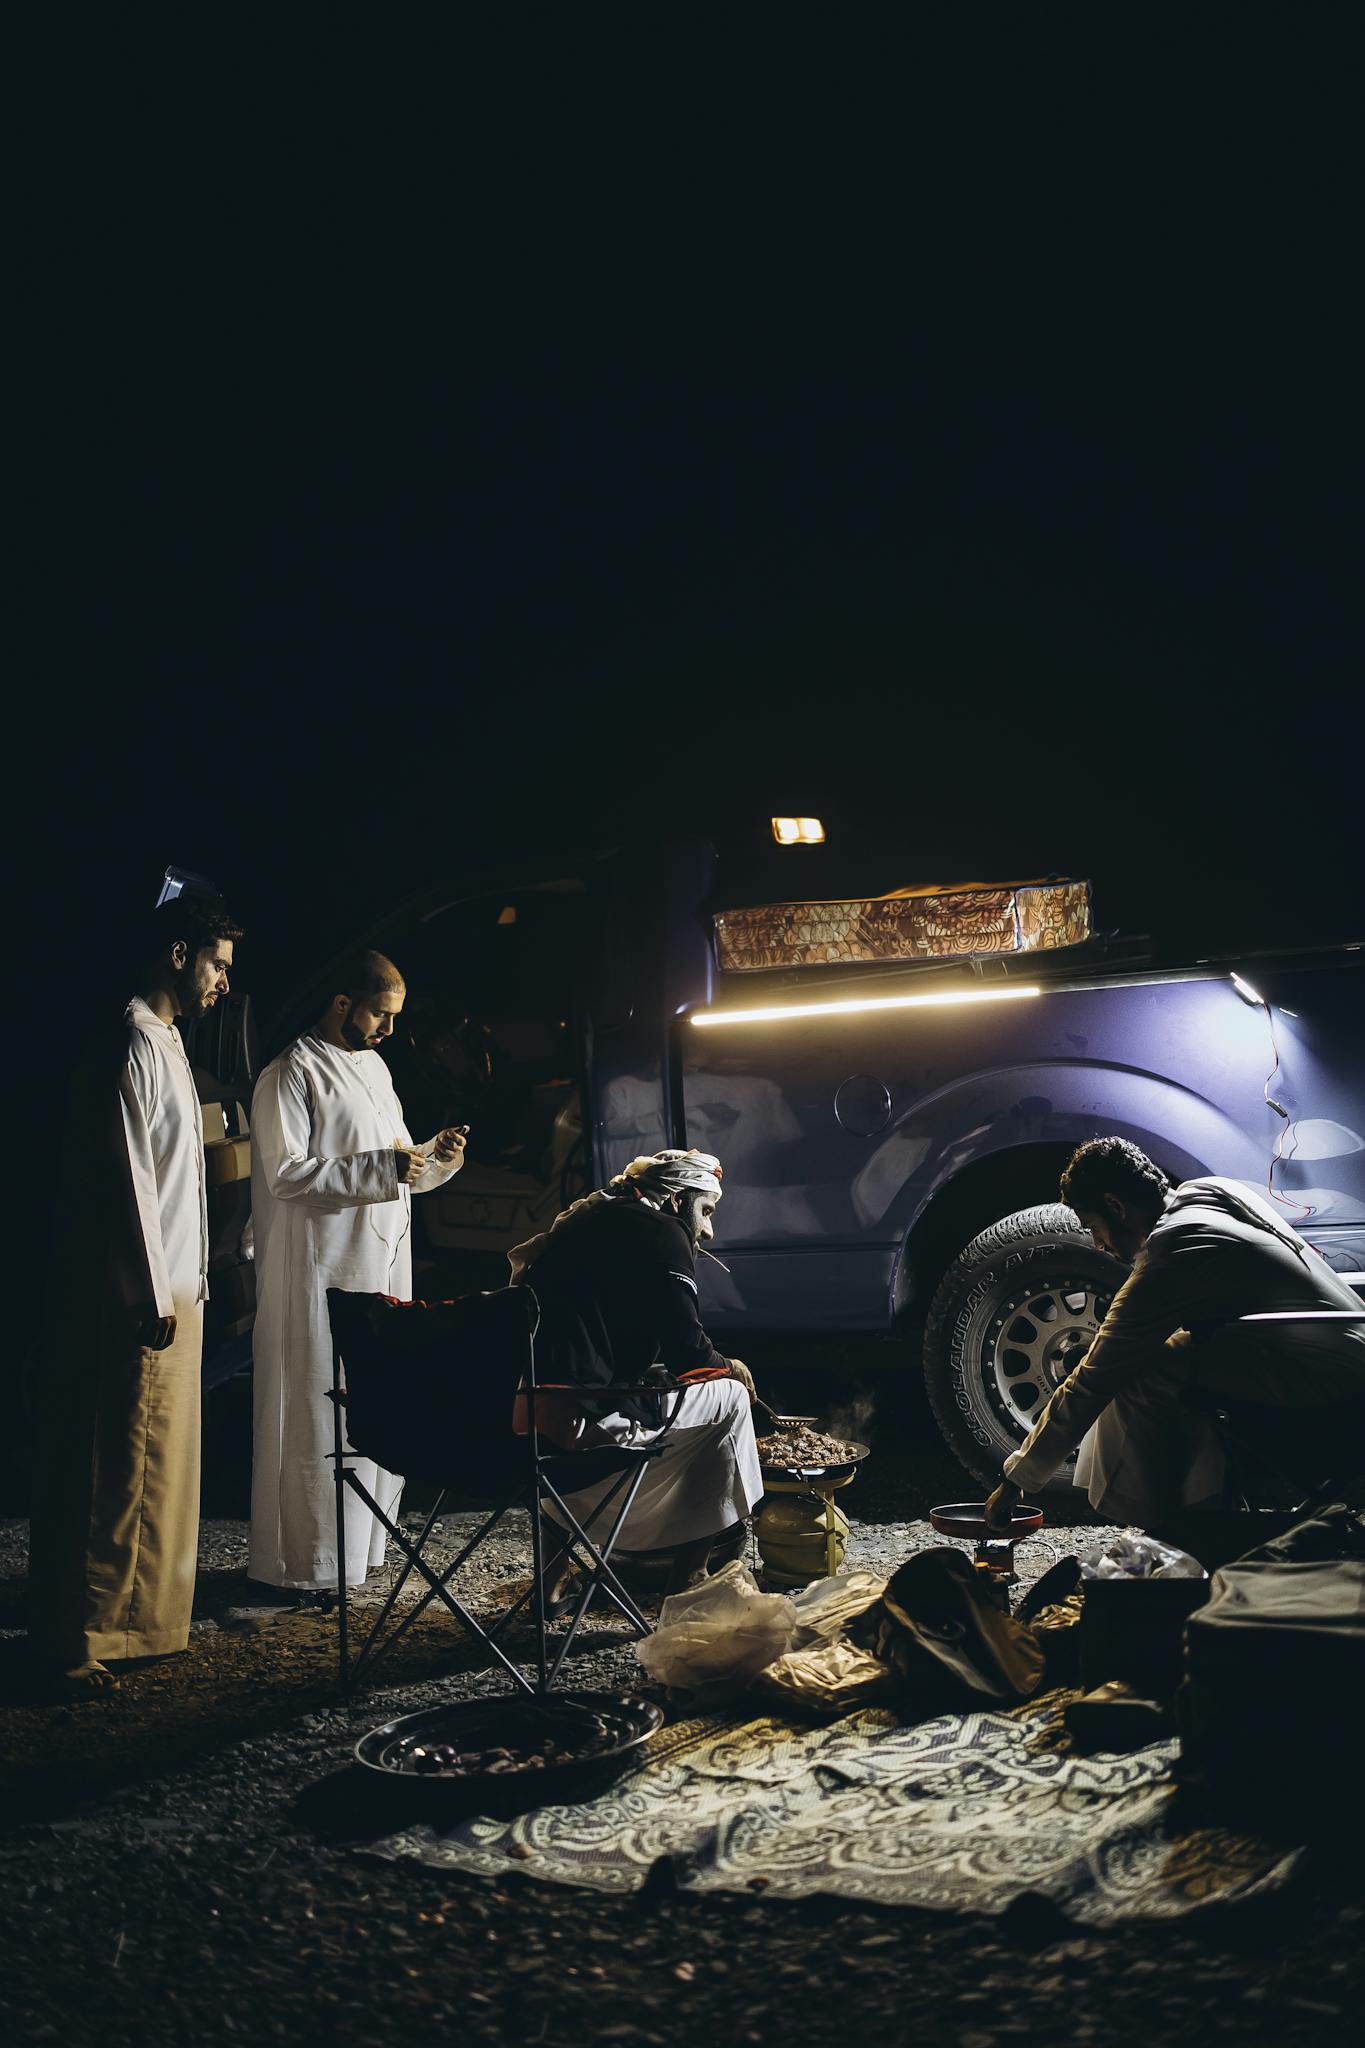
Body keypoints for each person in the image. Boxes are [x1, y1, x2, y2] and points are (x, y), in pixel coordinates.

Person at [28, 894, 242, 1692]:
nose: (224, 981)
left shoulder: (168, 1044)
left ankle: (135, 1627)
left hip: (175, 1287)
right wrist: (150, 1291)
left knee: (153, 1468)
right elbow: (129, 1185)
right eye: (217, 962)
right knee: (110, 1469)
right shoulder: (130, 1044)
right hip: (137, 1294)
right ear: (178, 954)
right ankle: (71, 1639)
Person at [985, 1137, 1365, 1530]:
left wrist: (1017, 1480)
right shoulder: (1207, 1192)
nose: (1097, 1245)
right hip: (1346, 1352)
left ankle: (1166, 1532)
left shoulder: (1173, 1251)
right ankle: (1201, 1511)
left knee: (1137, 1371)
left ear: (1117, 1206)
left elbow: (1094, 1377)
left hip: (1336, 1390)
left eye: (1095, 1227)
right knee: (1175, 1355)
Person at [248, 951, 468, 1596]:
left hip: (380, 1266)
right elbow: (287, 1175)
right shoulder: (290, 1072)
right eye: (380, 1013)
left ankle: (362, 1550)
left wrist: (434, 1158)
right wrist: (386, 1169)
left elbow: (397, 1164)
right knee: (319, 1405)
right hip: (320, 1267)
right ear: (343, 1003)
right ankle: (306, 1562)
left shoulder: (373, 1065)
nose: (389, 1030)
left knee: (372, 1398)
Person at [508, 1149, 764, 1601]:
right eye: (705, 1210)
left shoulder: (587, 1224)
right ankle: (691, 1574)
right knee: (729, 1398)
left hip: (525, 1433)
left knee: (575, 1391)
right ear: (673, 1199)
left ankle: (552, 1576)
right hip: (584, 1438)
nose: (707, 1230)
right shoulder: (663, 1231)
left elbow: (593, 1342)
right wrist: (731, 1368)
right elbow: (692, 1357)